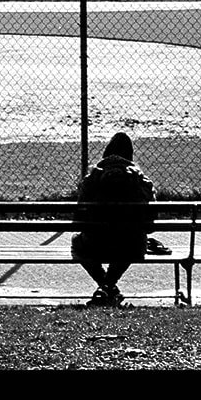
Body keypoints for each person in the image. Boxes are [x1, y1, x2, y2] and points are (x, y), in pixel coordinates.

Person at [70, 130, 155, 307]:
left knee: (77, 242)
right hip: (130, 246)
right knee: (134, 240)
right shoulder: (141, 180)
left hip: (95, 245)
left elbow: (78, 220)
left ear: (106, 153)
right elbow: (150, 225)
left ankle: (105, 286)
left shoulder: (92, 178)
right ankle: (108, 286)